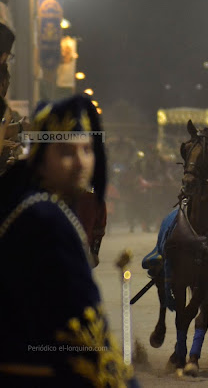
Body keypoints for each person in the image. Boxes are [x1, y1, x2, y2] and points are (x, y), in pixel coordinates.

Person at [0, 95, 137, 387]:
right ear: (40, 159)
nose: (80, 163)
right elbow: (87, 336)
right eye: (65, 152)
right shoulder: (46, 220)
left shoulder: (31, 203)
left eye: (86, 150)